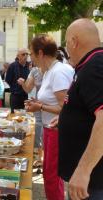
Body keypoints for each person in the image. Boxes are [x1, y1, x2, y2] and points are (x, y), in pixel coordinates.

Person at [58, 18, 103, 200]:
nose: (67, 49)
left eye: (67, 42)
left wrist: (83, 170)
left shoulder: (95, 66)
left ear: (74, 42)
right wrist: (66, 119)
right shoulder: (90, 64)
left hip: (92, 182)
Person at [25, 34, 74, 200]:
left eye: (31, 54)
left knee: (52, 176)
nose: (30, 58)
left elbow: (66, 108)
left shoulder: (58, 72)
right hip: (50, 129)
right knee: (50, 175)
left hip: (57, 131)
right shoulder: (48, 72)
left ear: (40, 53)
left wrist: (40, 106)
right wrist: (37, 103)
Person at [17, 58, 43, 172]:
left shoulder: (54, 70)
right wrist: (23, 83)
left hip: (51, 107)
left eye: (32, 54)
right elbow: (28, 88)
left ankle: (43, 158)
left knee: (46, 131)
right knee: (38, 129)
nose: (30, 58)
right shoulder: (35, 70)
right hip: (37, 104)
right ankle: (38, 157)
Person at [6, 48, 30, 113]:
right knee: (15, 116)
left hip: (26, 96)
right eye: (23, 54)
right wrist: (15, 86)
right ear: (18, 56)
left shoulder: (29, 66)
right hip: (15, 96)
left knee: (25, 116)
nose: (25, 56)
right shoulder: (13, 66)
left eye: (27, 54)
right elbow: (8, 80)